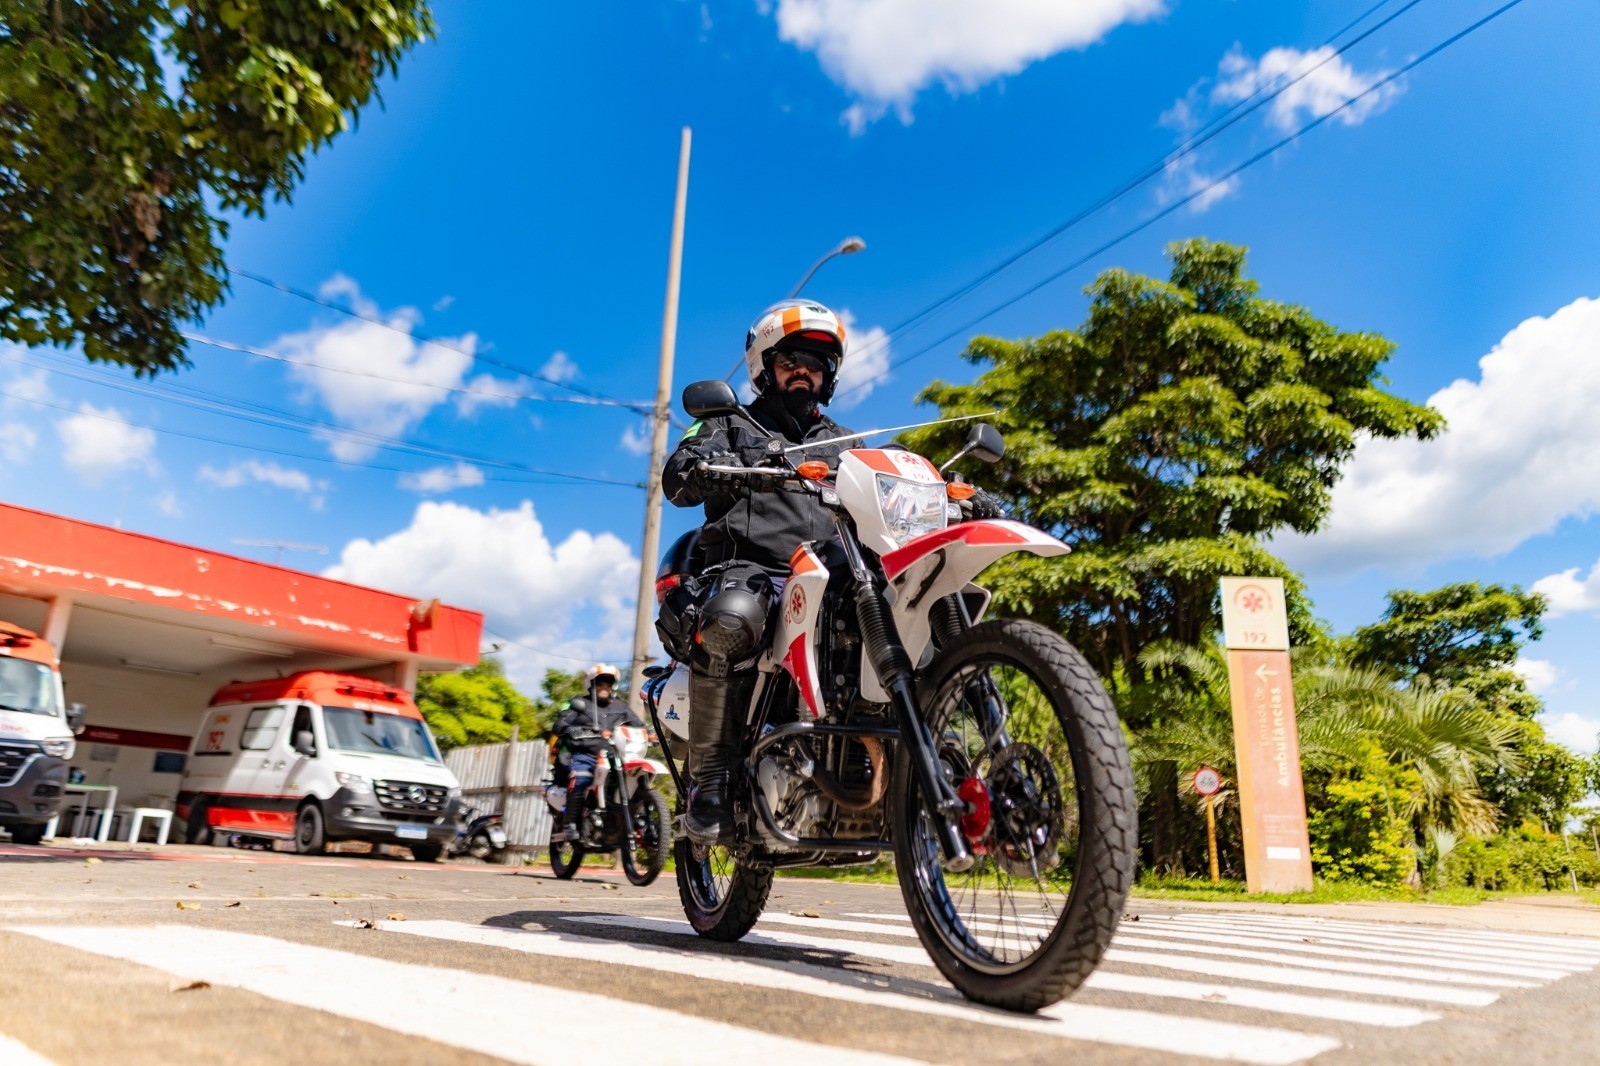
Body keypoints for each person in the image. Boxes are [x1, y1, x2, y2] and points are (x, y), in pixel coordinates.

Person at [661, 300, 869, 845]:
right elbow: (678, 475)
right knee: (732, 620)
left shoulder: (849, 444)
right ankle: (711, 782)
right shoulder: (731, 424)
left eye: (817, 364)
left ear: (829, 377)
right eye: (793, 359)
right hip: (753, 571)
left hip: (831, 577)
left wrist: (946, 491)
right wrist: (706, 466)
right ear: (765, 366)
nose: (805, 371)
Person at [551, 663, 643, 843]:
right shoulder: (580, 704)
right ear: (591, 684)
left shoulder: (621, 706)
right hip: (586, 755)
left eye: (608, 684)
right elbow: (559, 724)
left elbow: (639, 725)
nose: (604, 687)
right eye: (600, 683)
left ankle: (635, 818)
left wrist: (651, 733)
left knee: (634, 779)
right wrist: (570, 730)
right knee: (581, 778)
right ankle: (570, 824)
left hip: (615, 756)